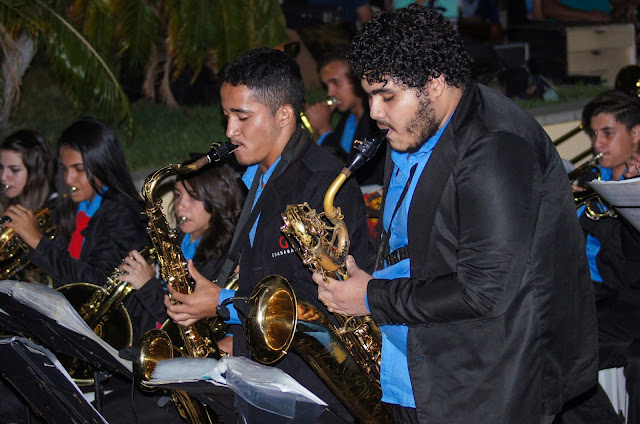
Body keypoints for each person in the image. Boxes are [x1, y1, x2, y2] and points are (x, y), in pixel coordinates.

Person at [311, 5, 598, 423]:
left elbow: (482, 290)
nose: (374, 112)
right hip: (419, 366)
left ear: (436, 80)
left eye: (387, 95)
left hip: (481, 386)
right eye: (370, 94)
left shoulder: (496, 146)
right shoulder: (415, 127)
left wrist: (370, 297)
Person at [164, 47, 373, 423]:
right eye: (227, 116)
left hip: (317, 388)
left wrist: (224, 304)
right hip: (272, 370)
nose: (229, 131)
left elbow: (315, 301)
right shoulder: (260, 174)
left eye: (242, 117)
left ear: (284, 115)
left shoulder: (322, 185)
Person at [0, 117, 167, 423]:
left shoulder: (123, 215)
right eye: (64, 169)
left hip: (109, 349)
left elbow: (95, 282)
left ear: (102, 165)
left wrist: (37, 242)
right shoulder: (74, 206)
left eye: (79, 169)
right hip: (72, 334)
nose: (69, 178)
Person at [561, 90, 640, 422]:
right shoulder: (592, 179)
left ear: (636, 134)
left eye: (608, 133)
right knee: (542, 350)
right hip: (589, 293)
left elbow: (631, 266)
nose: (597, 145)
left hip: (627, 300)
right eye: (595, 135)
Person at [119, 161, 244, 357]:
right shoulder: (173, 241)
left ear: (216, 201)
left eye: (193, 197)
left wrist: (147, 286)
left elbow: (194, 325)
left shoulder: (226, 256)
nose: (180, 205)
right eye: (178, 195)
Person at [304, 48, 385, 186]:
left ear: (356, 79)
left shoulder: (377, 119)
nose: (330, 92)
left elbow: (353, 172)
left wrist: (324, 129)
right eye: (326, 85)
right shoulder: (347, 118)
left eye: (335, 82)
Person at [0, 129, 55, 213]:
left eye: (14, 170)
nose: (3, 177)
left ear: (36, 173)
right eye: (1, 168)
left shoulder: (55, 207)